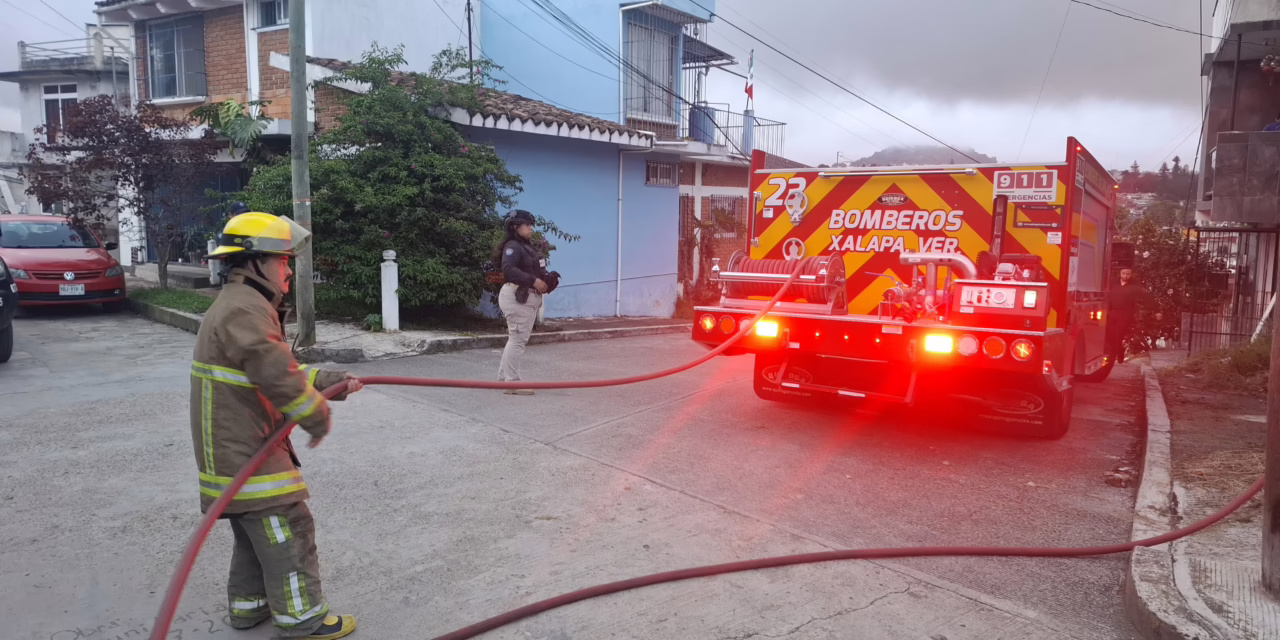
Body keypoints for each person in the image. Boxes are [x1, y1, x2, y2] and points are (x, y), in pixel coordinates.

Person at [193, 211, 362, 639]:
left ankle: (249, 609)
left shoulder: (243, 305)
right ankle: (303, 620)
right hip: (245, 452)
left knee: (256, 538)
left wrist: (328, 383)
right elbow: (277, 376)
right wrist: (317, 414)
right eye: (283, 261)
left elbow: (276, 368)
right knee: (289, 529)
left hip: (239, 450)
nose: (287, 270)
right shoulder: (245, 309)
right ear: (254, 263)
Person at [493, 210, 557, 394]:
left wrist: (546, 279)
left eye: (531, 224)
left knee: (515, 339)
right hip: (517, 297)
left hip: (526, 297)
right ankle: (512, 383)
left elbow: (535, 269)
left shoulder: (526, 247)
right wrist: (533, 280)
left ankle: (502, 380)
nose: (531, 228)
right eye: (527, 224)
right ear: (515, 227)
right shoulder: (512, 246)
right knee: (517, 341)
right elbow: (509, 270)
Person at [1106, 267, 1162, 363]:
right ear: (1120, 273)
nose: (1125, 276)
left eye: (1128, 274)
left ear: (1131, 275)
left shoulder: (1134, 286)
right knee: (1109, 334)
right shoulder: (1112, 283)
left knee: (1118, 333)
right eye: (1123, 273)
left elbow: (1146, 298)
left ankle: (1114, 356)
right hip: (1111, 312)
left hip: (1125, 313)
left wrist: (1156, 310)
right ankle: (1119, 350)